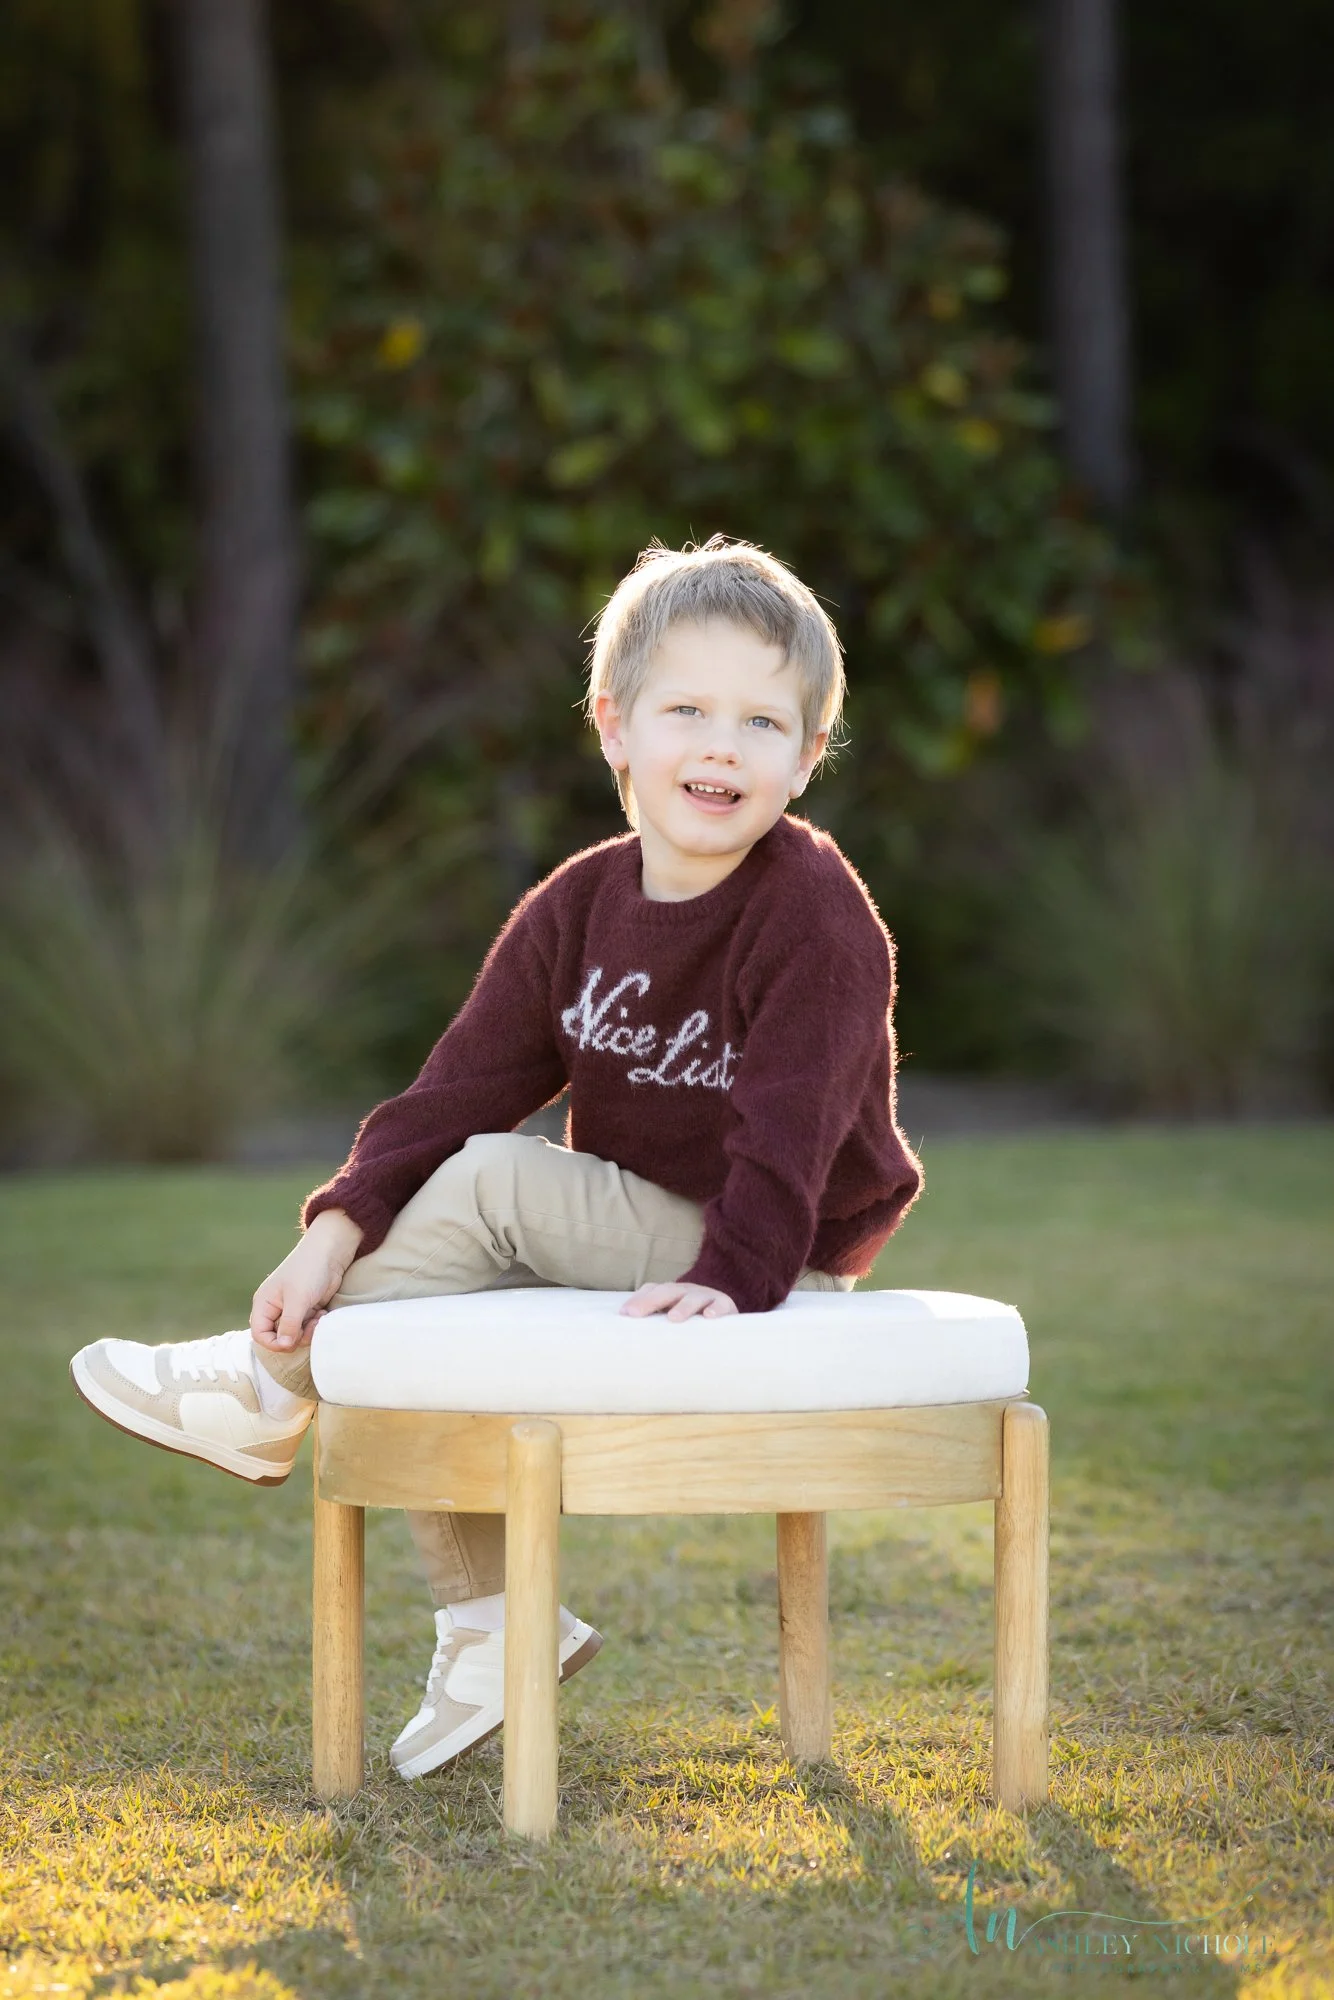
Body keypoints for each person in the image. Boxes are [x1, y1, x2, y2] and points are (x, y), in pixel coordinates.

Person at [70, 536, 923, 1782]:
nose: (720, 747)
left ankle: (266, 1391)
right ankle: (487, 1620)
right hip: (663, 1219)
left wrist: (740, 1272)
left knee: (487, 1178)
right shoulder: (578, 904)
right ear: (614, 726)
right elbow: (455, 1085)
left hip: (775, 1244)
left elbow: (791, 1122)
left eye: (760, 722)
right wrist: (331, 1228)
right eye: (685, 708)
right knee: (427, 1271)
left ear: (805, 757)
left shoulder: (812, 910)